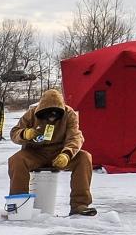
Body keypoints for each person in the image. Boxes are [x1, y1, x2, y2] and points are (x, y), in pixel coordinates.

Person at [8, 87, 96, 216]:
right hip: (35, 153)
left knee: (84, 157)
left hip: (59, 154)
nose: (51, 117)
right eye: (48, 114)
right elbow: (14, 133)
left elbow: (75, 137)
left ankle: (79, 205)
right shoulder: (31, 114)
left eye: (55, 114)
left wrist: (67, 154)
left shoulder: (70, 114)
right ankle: (19, 204)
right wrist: (24, 134)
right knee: (16, 160)